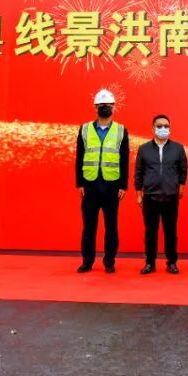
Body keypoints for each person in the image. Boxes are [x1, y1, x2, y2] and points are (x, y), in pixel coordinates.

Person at [75, 89, 129, 274]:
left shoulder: (121, 130)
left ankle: (109, 262)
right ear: (95, 107)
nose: (105, 107)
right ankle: (87, 261)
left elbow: (124, 159)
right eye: (101, 105)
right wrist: (79, 183)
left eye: (108, 104)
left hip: (112, 186)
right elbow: (79, 157)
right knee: (89, 227)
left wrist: (123, 185)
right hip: (89, 185)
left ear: (113, 107)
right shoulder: (84, 129)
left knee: (111, 227)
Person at [134, 113, 187, 274]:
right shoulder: (144, 149)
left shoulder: (178, 148)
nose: (163, 129)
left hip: (170, 197)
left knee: (171, 232)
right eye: (159, 126)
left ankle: (172, 262)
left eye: (166, 126)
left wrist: (181, 187)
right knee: (150, 232)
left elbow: (183, 170)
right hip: (150, 197)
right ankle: (150, 263)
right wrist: (138, 193)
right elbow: (138, 172)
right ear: (153, 128)